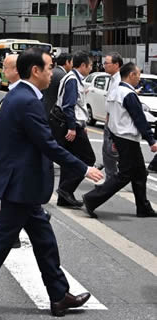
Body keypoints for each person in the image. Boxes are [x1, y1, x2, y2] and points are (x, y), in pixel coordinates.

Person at [0, 48, 103, 320]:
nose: (51, 73)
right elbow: (47, 144)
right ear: (35, 70)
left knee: (44, 240)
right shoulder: (27, 101)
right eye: (48, 68)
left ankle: (59, 295)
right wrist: (83, 167)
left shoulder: (16, 96)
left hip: (22, 184)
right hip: (22, 184)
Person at [83, 63, 157, 218]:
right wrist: (151, 140)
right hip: (128, 138)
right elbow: (139, 119)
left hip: (120, 136)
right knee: (125, 175)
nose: (139, 78)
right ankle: (92, 198)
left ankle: (143, 207)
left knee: (140, 173)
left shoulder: (115, 91)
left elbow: (109, 117)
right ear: (131, 75)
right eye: (138, 74)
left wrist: (113, 137)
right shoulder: (128, 94)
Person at [50, 51, 96, 208]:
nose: (91, 69)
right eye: (90, 66)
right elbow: (68, 106)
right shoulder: (72, 80)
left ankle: (64, 196)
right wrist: (73, 127)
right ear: (82, 65)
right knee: (88, 158)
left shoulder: (74, 78)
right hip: (71, 124)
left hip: (74, 123)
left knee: (69, 159)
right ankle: (65, 190)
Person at [99, 52, 123, 182]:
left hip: (114, 121)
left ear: (116, 65)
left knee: (110, 152)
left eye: (107, 63)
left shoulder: (119, 81)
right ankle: (112, 178)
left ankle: (111, 180)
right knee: (109, 151)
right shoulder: (113, 79)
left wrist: (110, 118)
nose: (104, 66)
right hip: (110, 119)